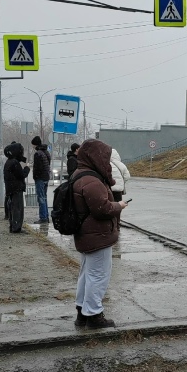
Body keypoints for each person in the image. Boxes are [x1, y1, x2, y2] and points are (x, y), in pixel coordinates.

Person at [71, 139, 127, 329]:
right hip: (97, 235)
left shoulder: (80, 175)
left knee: (87, 274)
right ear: (95, 156)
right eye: (104, 156)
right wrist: (118, 206)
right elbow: (101, 209)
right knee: (98, 275)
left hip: (87, 234)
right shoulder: (92, 181)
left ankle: (82, 312)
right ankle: (94, 315)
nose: (106, 161)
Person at [3, 141, 30, 233]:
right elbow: (21, 175)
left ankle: (13, 226)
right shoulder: (14, 162)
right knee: (17, 208)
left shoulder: (9, 161)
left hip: (11, 188)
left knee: (12, 208)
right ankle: (17, 227)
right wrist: (27, 168)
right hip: (16, 188)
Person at [31, 135, 51, 224]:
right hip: (46, 177)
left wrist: (35, 176)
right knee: (45, 198)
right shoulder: (46, 152)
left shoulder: (38, 154)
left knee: (41, 198)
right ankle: (46, 216)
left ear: (35, 144)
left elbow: (37, 168)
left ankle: (43, 218)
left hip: (40, 178)